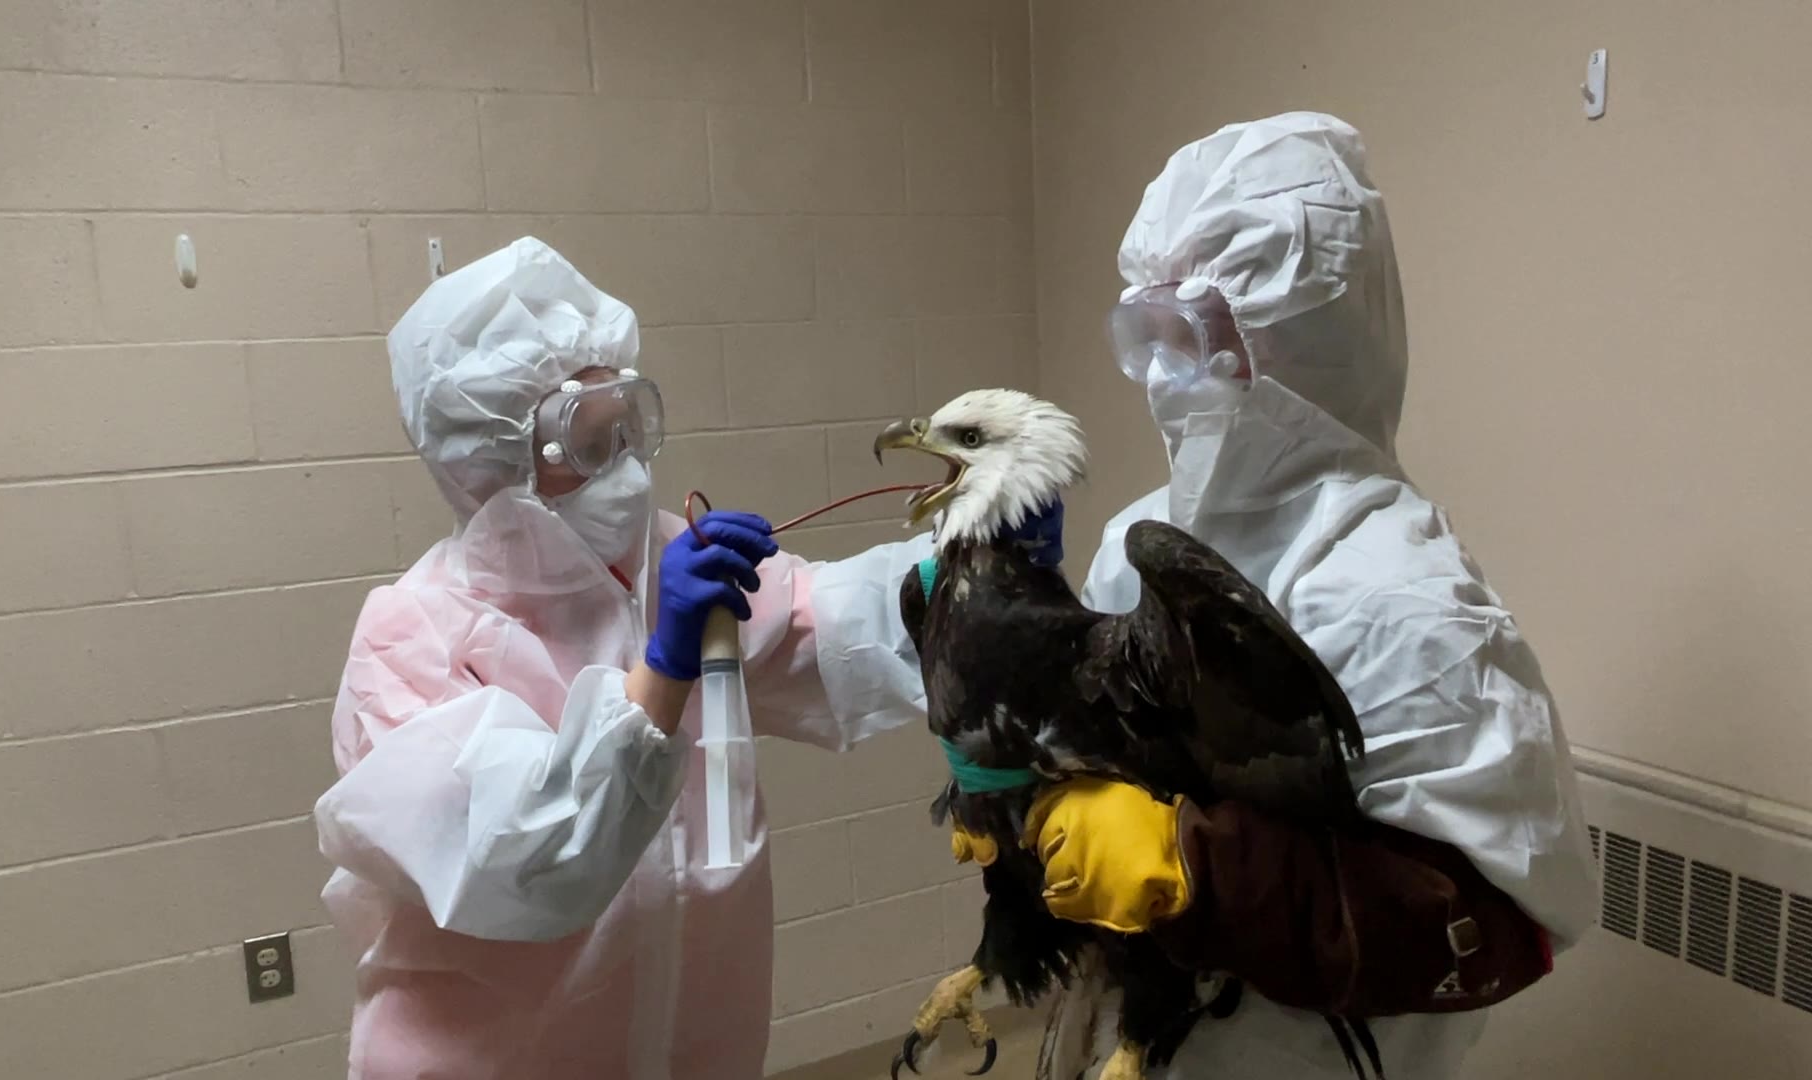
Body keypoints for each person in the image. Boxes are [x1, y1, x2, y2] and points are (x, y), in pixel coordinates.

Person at [311, 236, 1061, 1079]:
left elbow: (819, 625)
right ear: (489, 462)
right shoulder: (413, 637)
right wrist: (661, 673)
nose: (625, 473)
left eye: (626, 431)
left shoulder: (664, 563)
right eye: (585, 448)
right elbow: (527, 860)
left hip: (688, 1048)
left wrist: (962, 578)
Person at [1020, 113, 1599, 1079]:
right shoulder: (1138, 541)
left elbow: (1499, 928)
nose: (1164, 376)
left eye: (1197, 334)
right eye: (1146, 334)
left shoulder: (1407, 601)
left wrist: (1190, 869)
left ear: (1309, 342)